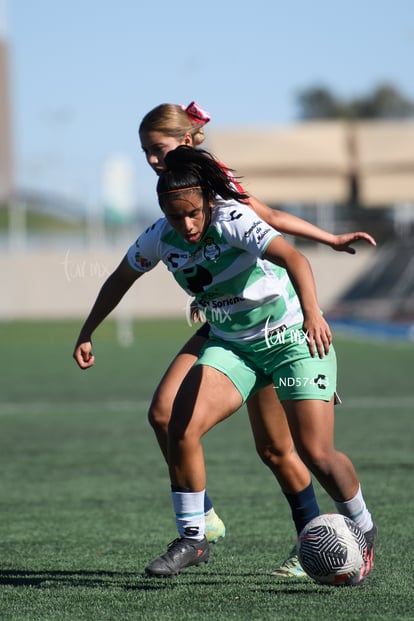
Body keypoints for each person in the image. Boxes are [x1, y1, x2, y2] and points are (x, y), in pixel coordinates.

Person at [73, 146, 377, 579]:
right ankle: (193, 538)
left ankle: (365, 527)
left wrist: (312, 314)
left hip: (292, 337)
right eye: (176, 216)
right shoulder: (159, 236)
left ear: (207, 202)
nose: (187, 225)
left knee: (315, 452)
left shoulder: (231, 218)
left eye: (193, 214)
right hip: (233, 345)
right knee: (180, 425)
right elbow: (119, 280)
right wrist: (87, 331)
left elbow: (295, 258)